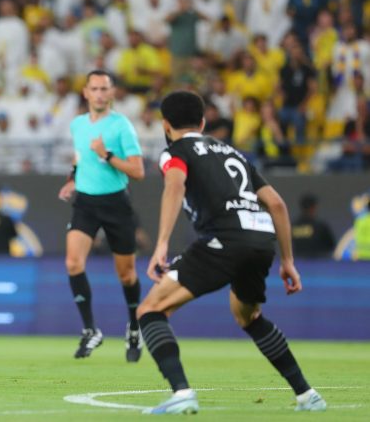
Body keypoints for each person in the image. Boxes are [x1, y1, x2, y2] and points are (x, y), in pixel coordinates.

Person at [138, 91, 326, 414]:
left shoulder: (175, 152)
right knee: (248, 316)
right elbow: (277, 204)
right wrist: (288, 261)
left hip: (225, 239)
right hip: (262, 240)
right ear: (203, 122)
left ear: (165, 126)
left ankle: (181, 393)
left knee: (150, 310)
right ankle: (307, 395)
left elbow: (175, 185)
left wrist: (161, 244)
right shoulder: (234, 153)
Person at [57, 69, 145, 361]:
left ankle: (134, 327)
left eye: (104, 89)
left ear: (111, 93)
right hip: (86, 202)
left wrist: (107, 155)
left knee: (127, 274)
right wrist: (73, 177)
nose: (99, 94)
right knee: (72, 263)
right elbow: (80, 156)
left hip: (116, 203)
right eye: (94, 88)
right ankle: (90, 330)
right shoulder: (78, 125)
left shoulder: (122, 126)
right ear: (85, 92)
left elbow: (138, 171)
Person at [291, 193, 336, 258]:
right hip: (317, 264)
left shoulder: (293, 226)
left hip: (298, 264)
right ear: (313, 207)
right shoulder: (320, 226)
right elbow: (331, 245)